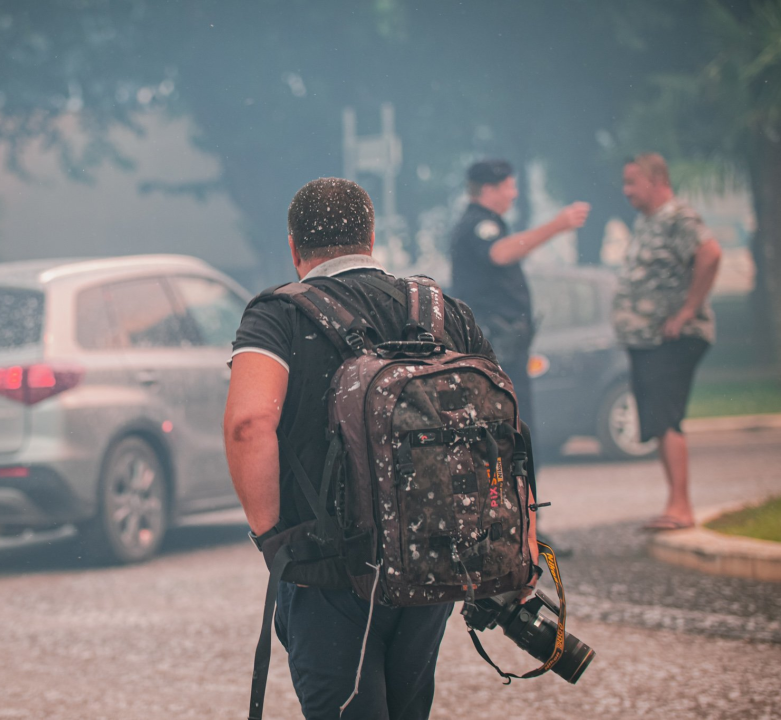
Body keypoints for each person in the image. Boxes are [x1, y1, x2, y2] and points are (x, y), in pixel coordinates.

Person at [224, 177, 517, 720]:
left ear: (293, 247)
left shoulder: (278, 315)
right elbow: (500, 435)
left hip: (327, 566)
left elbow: (248, 423)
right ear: (371, 237)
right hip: (429, 566)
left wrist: (272, 538)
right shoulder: (443, 311)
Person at [449, 160, 589, 553]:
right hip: (497, 356)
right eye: (509, 187)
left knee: (515, 439)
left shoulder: (484, 223)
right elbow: (500, 253)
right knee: (510, 439)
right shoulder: (478, 225)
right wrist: (557, 226)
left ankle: (525, 528)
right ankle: (518, 533)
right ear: (489, 189)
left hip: (507, 352)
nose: (513, 194)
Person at [614, 153, 722, 531]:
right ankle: (674, 503)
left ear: (657, 180)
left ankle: (682, 506)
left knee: (668, 418)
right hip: (647, 341)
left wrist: (688, 310)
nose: (626, 191)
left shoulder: (679, 217)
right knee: (659, 421)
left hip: (671, 339)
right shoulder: (648, 221)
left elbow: (710, 253)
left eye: (632, 183)